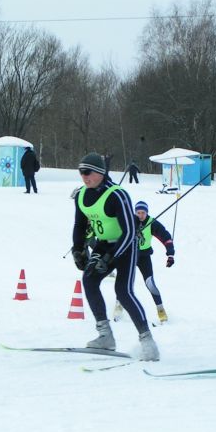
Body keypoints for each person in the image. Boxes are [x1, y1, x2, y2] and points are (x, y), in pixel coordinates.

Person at [71, 152, 159, 361]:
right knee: (89, 281)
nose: (84, 177)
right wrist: (78, 249)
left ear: (101, 173)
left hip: (126, 246)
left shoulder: (117, 195)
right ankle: (105, 336)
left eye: (87, 172)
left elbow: (129, 232)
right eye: (81, 172)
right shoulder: (81, 196)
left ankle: (148, 342)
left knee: (123, 291)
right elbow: (79, 225)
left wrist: (110, 258)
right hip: (104, 244)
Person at [128, 201, 174, 323]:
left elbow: (166, 237)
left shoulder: (151, 223)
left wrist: (170, 254)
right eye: (138, 213)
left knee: (150, 284)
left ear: (147, 212)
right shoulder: (129, 221)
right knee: (125, 283)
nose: (141, 215)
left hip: (144, 257)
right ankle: (119, 305)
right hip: (130, 256)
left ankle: (160, 309)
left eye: (143, 213)